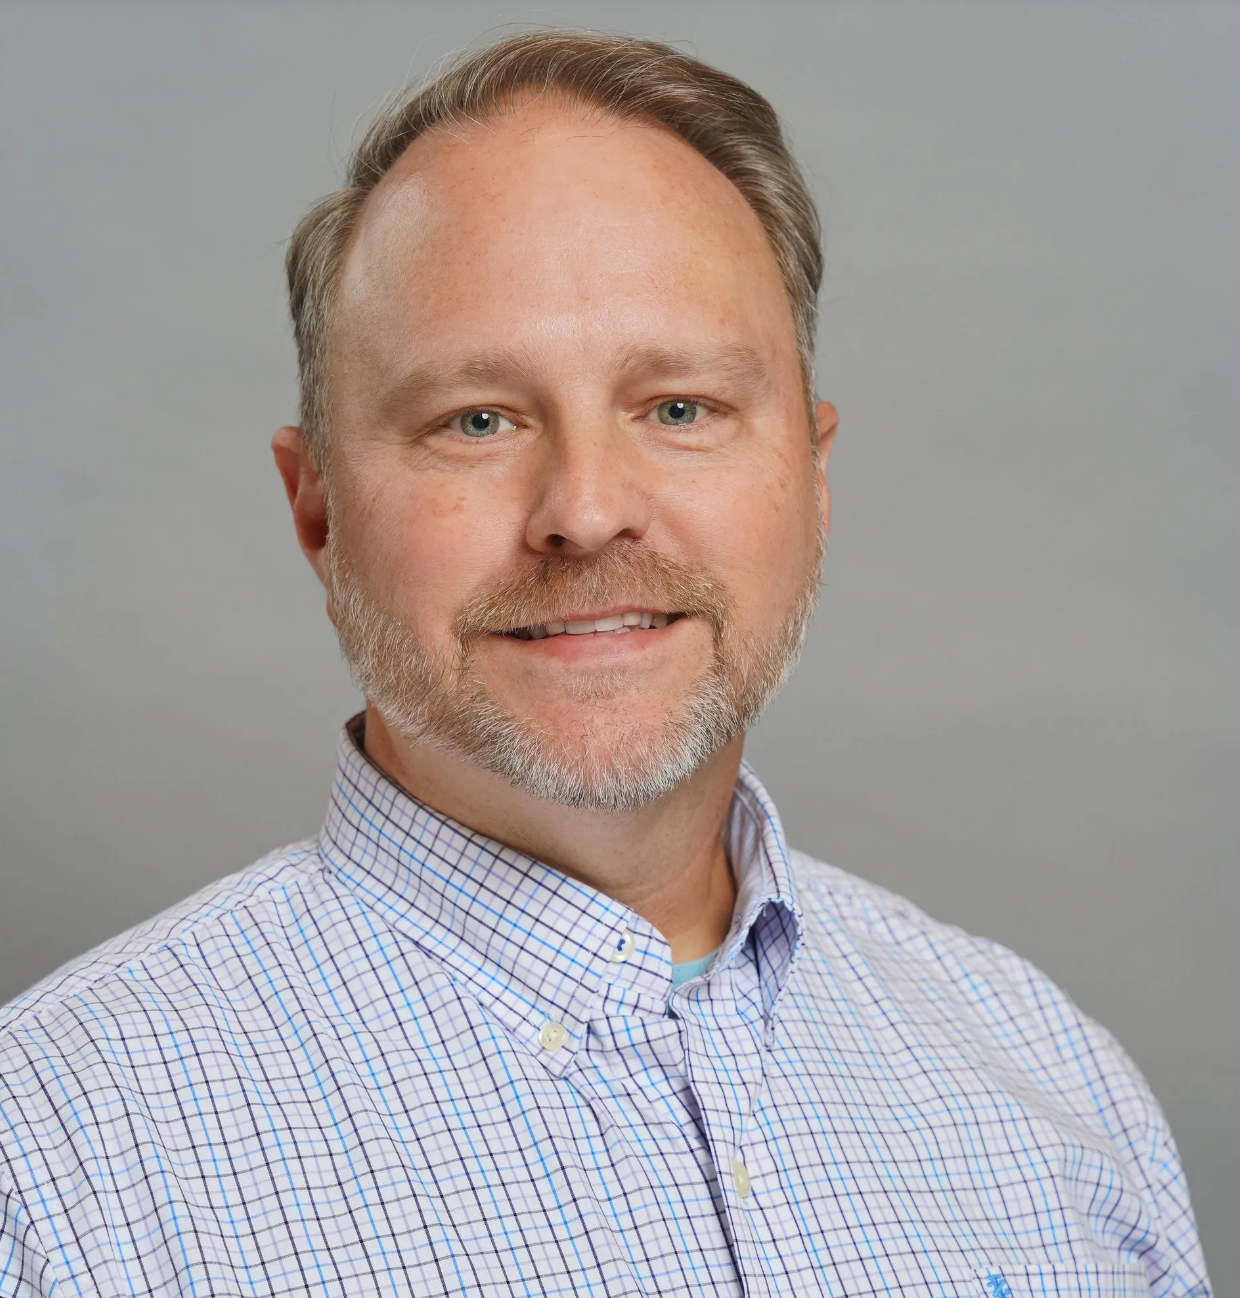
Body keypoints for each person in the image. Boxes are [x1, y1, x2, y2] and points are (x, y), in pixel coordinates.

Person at [0, 29, 1211, 1298]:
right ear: (316, 509)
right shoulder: (54, 1164)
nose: (584, 509)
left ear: (810, 473)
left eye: (679, 408)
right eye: (477, 419)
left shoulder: (1051, 1081)